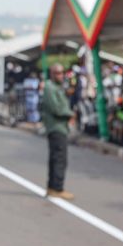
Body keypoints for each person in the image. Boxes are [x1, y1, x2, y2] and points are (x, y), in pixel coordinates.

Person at [41, 63, 74, 200]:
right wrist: (70, 114)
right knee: (60, 159)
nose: (61, 75)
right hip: (56, 127)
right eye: (58, 73)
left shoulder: (57, 87)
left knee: (56, 158)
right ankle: (57, 188)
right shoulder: (49, 87)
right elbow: (56, 108)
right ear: (52, 74)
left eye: (62, 73)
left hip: (60, 127)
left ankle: (52, 187)